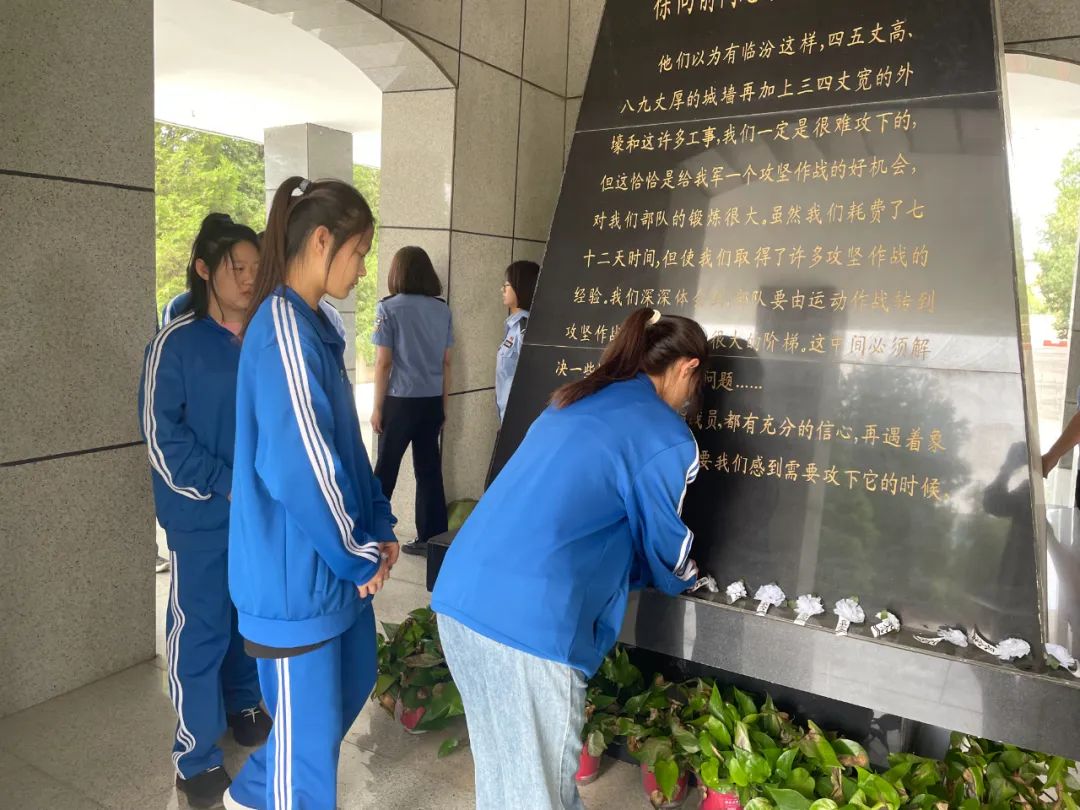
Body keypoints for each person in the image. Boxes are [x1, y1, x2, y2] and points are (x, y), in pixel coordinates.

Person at [432, 307, 707, 810]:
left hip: (461, 599)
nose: (690, 398)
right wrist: (688, 578)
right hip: (530, 625)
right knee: (536, 797)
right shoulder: (664, 433)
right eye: (696, 385)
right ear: (688, 367)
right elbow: (666, 544)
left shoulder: (576, 397)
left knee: (505, 781)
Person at [223, 177, 397, 810]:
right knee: (306, 768)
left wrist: (378, 527)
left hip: (327, 574)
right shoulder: (283, 331)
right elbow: (299, 469)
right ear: (322, 240)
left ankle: (252, 793)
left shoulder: (314, 325)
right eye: (359, 252)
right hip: (296, 582)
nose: (362, 268)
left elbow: (343, 450)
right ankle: (270, 794)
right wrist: (357, 554)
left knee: (344, 693)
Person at [138, 213, 271, 809]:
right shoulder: (176, 343)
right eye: (236, 267)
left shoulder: (262, 341)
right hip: (201, 518)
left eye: (255, 267)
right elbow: (162, 437)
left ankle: (244, 705)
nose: (248, 278)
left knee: (246, 619)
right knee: (200, 630)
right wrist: (224, 483)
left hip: (255, 516)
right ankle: (193, 755)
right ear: (203, 269)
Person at [371, 246, 453, 557]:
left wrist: (377, 407)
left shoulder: (388, 308)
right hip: (431, 401)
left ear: (397, 273)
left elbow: (383, 363)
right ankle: (432, 540)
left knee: (385, 469)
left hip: (399, 401)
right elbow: (447, 362)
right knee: (429, 471)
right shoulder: (442, 310)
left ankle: (372, 533)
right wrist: (443, 407)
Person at [496, 260, 540, 424]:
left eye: (507, 285)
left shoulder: (525, 328)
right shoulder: (513, 326)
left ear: (521, 287)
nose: (502, 289)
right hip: (508, 417)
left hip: (520, 421)